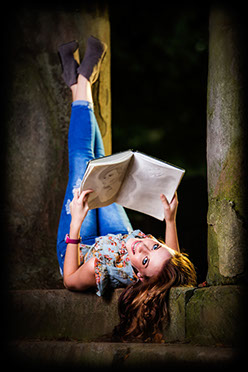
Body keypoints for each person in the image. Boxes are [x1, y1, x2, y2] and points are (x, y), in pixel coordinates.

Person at [57, 36, 197, 342]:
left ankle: (81, 80)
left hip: (81, 248)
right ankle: (79, 84)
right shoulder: (146, 251)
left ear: (140, 278)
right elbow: (169, 255)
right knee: (107, 169)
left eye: (145, 259)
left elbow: (69, 280)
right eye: (156, 246)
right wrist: (170, 220)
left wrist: (77, 220)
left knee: (82, 161)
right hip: (118, 236)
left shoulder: (105, 269)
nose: (146, 246)